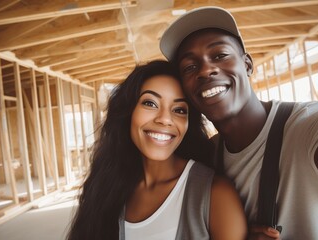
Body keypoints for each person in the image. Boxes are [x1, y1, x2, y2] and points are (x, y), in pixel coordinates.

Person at [159, 6, 318, 240]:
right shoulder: (207, 157)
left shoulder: (312, 130)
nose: (205, 70)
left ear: (247, 64)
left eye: (220, 55)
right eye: (190, 67)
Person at [67, 60, 247, 240]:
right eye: (150, 103)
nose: (165, 119)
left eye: (179, 109)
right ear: (128, 112)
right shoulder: (107, 188)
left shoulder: (216, 194)